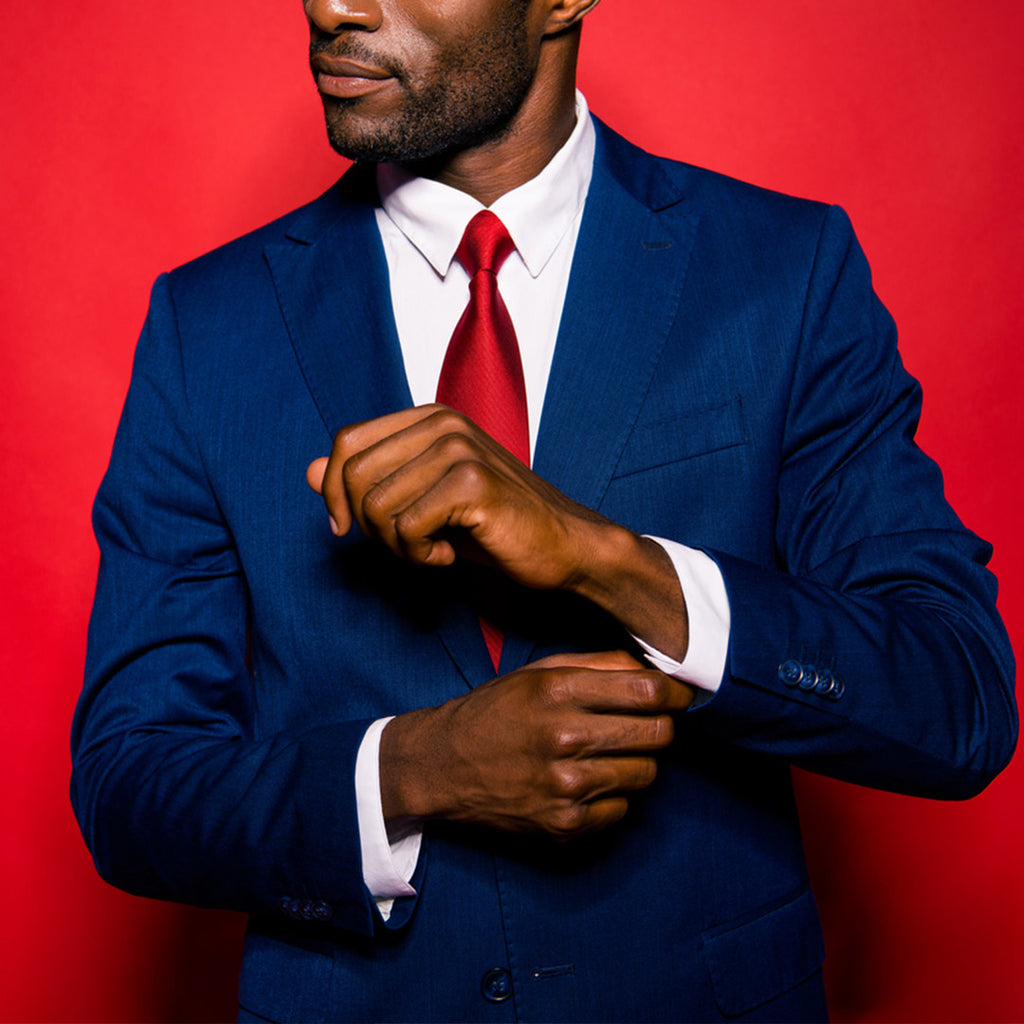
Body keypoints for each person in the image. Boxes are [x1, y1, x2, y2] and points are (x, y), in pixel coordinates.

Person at [71, 1, 1016, 1021]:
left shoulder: (784, 272)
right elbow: (130, 785)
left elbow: (955, 698)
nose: (332, 6)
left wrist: (605, 560)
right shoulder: (207, 323)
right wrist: (415, 771)